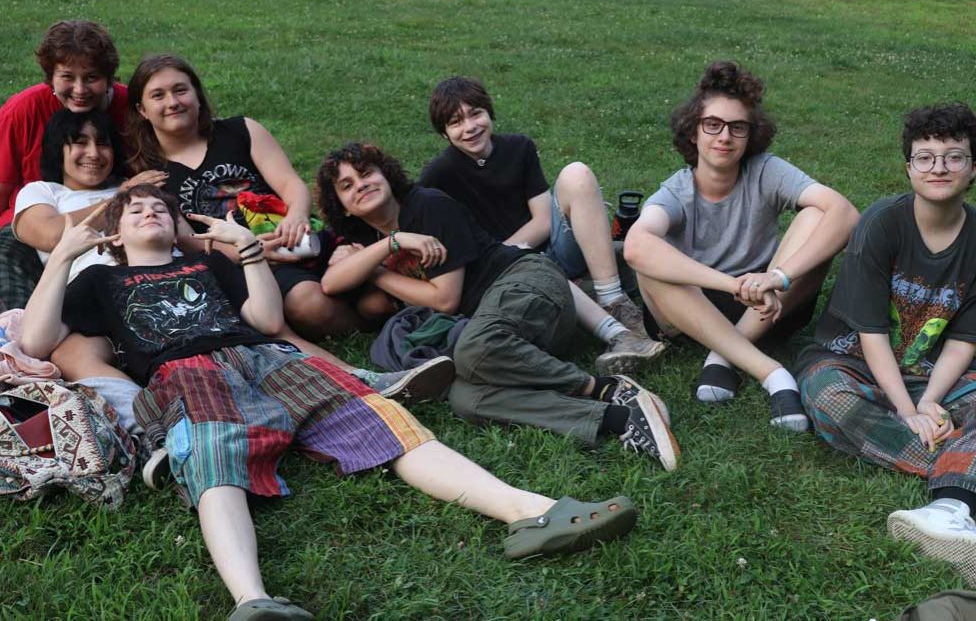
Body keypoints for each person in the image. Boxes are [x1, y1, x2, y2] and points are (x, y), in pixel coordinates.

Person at [18, 184, 638, 618]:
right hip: (182, 374)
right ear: (116, 233)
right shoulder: (101, 278)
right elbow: (36, 340)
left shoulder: (209, 267)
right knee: (209, 450)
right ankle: (252, 599)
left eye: (159, 207)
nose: (149, 213)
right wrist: (66, 256)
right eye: (136, 211)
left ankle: (533, 511)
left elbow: (264, 319)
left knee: (380, 418)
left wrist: (249, 250)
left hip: (268, 358)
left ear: (178, 227)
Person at [318, 143, 680, 472]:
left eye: (366, 173)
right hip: (505, 333)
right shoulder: (368, 239)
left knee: (472, 350)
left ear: (386, 174)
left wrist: (377, 269)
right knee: (467, 398)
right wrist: (388, 247)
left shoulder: (428, 207)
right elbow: (330, 283)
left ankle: (604, 387)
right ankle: (617, 416)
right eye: (346, 185)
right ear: (341, 205)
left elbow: (445, 299)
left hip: (528, 283)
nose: (360, 185)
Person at [624, 61, 859, 431]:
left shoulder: (766, 170)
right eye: (712, 125)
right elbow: (635, 246)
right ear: (693, 132)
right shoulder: (676, 190)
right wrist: (733, 284)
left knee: (816, 216)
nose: (724, 137)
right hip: (692, 312)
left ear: (751, 135)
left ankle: (722, 356)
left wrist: (778, 277)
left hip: (769, 305)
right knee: (652, 260)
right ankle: (773, 374)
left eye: (738, 127)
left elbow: (844, 213)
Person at [797, 102, 976, 585]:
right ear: (908, 166)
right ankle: (962, 471)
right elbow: (871, 331)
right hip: (853, 362)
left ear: (973, 167)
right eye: (925, 156)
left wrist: (933, 399)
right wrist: (907, 411)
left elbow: (964, 338)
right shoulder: (881, 223)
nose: (939, 167)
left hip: (937, 372)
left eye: (954, 156)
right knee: (828, 402)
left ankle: (950, 507)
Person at [420, 76, 665, 376]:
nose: (469, 127)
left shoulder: (518, 147)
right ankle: (621, 333)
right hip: (507, 274)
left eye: (475, 113)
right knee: (530, 261)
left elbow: (543, 220)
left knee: (577, 173)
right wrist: (513, 258)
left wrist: (511, 249)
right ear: (445, 134)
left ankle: (613, 299)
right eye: (456, 122)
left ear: (489, 113)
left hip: (549, 246)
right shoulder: (438, 175)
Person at [125, 53, 377, 344]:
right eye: (158, 95)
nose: (173, 102)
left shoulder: (240, 131)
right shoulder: (151, 171)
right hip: (244, 264)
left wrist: (297, 215)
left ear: (196, 93)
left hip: (294, 235)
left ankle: (377, 308)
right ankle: (364, 325)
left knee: (374, 289)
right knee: (310, 306)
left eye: (181, 90)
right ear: (142, 109)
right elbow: (185, 239)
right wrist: (249, 251)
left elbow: (290, 183)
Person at [11, 109, 159, 430]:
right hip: (89, 299)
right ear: (57, 150)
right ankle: (151, 424)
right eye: (79, 142)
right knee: (69, 357)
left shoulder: (133, 186)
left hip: (154, 280)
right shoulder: (45, 192)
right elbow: (52, 233)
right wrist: (124, 197)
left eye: (103, 143)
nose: (93, 153)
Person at [0, 20, 127, 309]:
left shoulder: (129, 105)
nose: (80, 89)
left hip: (114, 210)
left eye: (92, 77)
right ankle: (13, 337)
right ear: (50, 78)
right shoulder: (24, 109)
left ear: (108, 79)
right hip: (33, 217)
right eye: (67, 77)